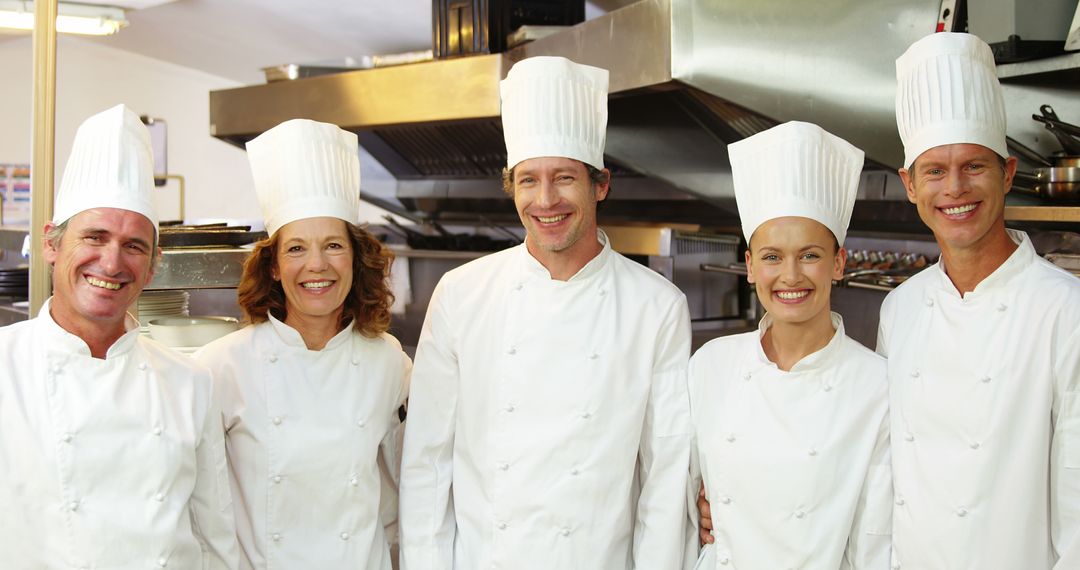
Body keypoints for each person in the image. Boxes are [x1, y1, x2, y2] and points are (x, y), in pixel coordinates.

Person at [399, 56, 693, 570]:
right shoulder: (461, 293)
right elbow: (427, 463)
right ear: (512, 187)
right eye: (529, 181)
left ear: (601, 184)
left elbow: (665, 479)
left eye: (564, 178)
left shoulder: (657, 306)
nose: (547, 200)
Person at [0, 104, 238, 568]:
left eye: (133, 246)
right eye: (94, 237)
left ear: (152, 265)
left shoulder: (190, 383)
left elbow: (215, 541)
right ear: (51, 243)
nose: (111, 264)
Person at [877, 32, 1080, 569]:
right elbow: (878, 462)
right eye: (935, 172)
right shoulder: (899, 309)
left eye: (974, 166)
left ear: (1008, 174)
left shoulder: (1066, 311)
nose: (956, 189)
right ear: (910, 185)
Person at [192, 118, 411, 570]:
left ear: (355, 258)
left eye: (333, 245)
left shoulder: (389, 361)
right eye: (295, 249)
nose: (317, 265)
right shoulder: (220, 365)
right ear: (273, 266)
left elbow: (406, 486)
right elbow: (203, 507)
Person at [688, 121, 891, 570]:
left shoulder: (877, 384)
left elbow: (875, 541)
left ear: (839, 263)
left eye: (811, 255)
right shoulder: (710, 366)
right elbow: (679, 495)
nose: (791, 276)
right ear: (750, 266)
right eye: (772, 257)